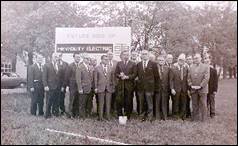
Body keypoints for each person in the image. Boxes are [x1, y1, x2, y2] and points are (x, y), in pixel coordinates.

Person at [137, 49, 158, 122]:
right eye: (143, 54)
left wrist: (155, 88)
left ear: (148, 55)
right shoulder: (138, 64)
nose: (144, 55)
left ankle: (150, 118)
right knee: (141, 103)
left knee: (150, 103)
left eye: (146, 54)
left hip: (150, 87)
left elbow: (156, 77)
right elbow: (136, 75)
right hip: (141, 88)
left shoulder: (153, 64)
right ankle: (142, 117)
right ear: (141, 55)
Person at [188, 53, 210, 122]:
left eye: (197, 58)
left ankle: (204, 119)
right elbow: (188, 78)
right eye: (195, 58)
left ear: (200, 58)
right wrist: (190, 84)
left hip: (202, 89)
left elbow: (206, 78)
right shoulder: (191, 67)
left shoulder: (206, 66)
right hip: (193, 89)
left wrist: (201, 85)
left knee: (203, 104)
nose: (196, 59)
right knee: (194, 104)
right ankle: (195, 118)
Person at [115, 50, 137, 119]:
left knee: (128, 100)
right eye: (124, 55)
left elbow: (135, 74)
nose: (126, 56)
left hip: (129, 85)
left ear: (129, 56)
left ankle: (128, 115)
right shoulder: (119, 63)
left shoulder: (133, 64)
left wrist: (127, 77)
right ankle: (120, 115)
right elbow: (116, 73)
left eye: (127, 55)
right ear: (122, 55)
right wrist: (120, 76)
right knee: (119, 100)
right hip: (120, 85)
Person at [94, 55, 115, 121]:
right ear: (102, 60)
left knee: (108, 103)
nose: (106, 61)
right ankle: (100, 117)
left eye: (107, 59)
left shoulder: (110, 67)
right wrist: (96, 87)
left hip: (109, 88)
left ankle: (108, 116)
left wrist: (113, 87)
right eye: (105, 59)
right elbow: (95, 79)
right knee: (101, 103)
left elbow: (112, 78)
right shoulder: (97, 68)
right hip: (100, 87)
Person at [170, 54, 189, 120]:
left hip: (184, 89)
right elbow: (171, 80)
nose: (181, 61)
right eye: (180, 60)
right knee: (176, 102)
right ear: (178, 60)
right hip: (176, 89)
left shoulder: (186, 68)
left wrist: (188, 89)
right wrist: (172, 88)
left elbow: (187, 79)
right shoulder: (173, 68)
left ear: (184, 61)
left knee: (183, 102)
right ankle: (175, 115)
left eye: (183, 60)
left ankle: (182, 116)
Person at [43, 53, 62, 118]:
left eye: (57, 57)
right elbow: (44, 77)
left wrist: (61, 86)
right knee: (49, 101)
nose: (56, 58)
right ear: (52, 57)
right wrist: (45, 85)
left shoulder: (59, 65)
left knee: (56, 101)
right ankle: (47, 114)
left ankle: (55, 113)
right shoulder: (47, 65)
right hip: (50, 86)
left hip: (58, 87)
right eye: (55, 57)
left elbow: (60, 77)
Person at [76, 55, 94, 119]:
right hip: (83, 88)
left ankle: (87, 114)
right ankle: (81, 116)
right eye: (87, 59)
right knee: (82, 103)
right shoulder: (80, 67)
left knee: (88, 103)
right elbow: (78, 79)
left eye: (89, 59)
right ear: (83, 59)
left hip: (89, 88)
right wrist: (80, 88)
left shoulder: (90, 67)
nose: (88, 60)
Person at [64, 53, 81, 118]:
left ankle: (76, 113)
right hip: (72, 86)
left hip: (78, 86)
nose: (78, 58)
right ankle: (70, 114)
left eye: (79, 57)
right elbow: (67, 76)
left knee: (77, 100)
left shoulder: (80, 65)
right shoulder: (70, 66)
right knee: (72, 100)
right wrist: (68, 86)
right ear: (74, 58)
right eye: (77, 57)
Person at [155, 55, 169, 120]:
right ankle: (157, 117)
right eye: (159, 60)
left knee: (164, 103)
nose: (161, 61)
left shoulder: (167, 68)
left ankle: (164, 117)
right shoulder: (154, 68)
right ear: (157, 61)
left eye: (162, 60)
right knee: (157, 103)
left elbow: (169, 79)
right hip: (157, 88)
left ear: (164, 61)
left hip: (165, 89)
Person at [107, 50, 118, 116]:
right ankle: (108, 111)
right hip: (107, 83)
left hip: (115, 83)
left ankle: (114, 111)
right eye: (109, 54)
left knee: (115, 98)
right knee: (108, 98)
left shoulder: (116, 62)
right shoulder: (104, 62)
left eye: (111, 54)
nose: (110, 56)